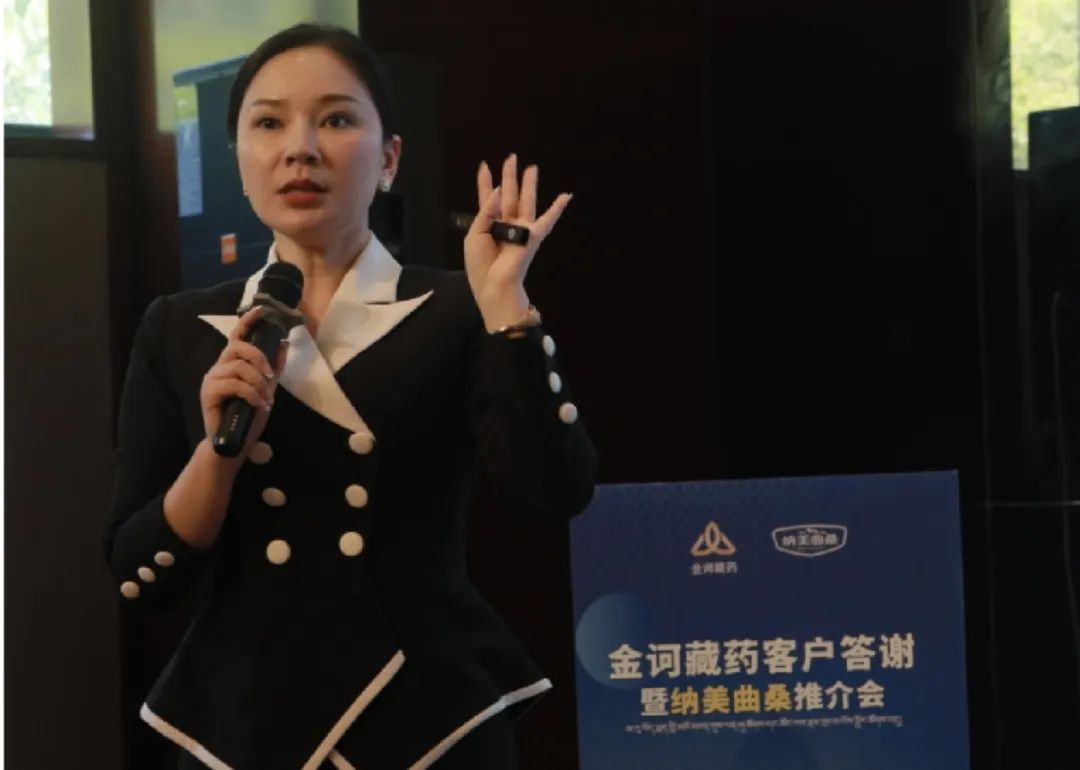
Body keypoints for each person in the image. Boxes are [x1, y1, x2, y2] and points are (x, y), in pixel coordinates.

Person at [103, 23, 596, 770]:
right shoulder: (179, 328)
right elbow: (141, 574)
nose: (300, 148)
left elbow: (555, 490)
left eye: (335, 119)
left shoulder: (459, 308)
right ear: (239, 160)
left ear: (389, 158)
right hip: (241, 723)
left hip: (431, 720)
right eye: (269, 123)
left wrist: (507, 310)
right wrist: (218, 456)